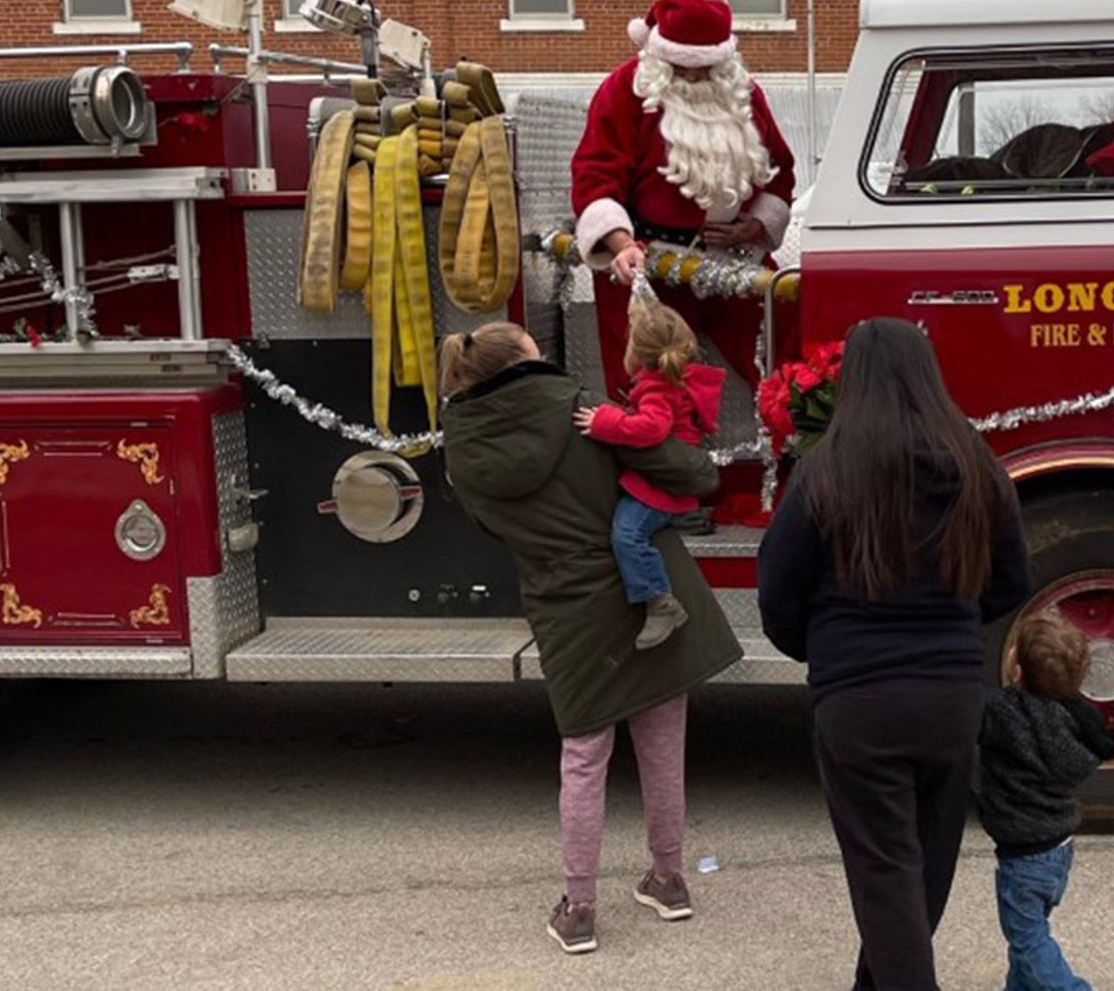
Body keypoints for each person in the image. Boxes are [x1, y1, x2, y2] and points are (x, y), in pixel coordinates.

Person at [439, 323, 743, 956]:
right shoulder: (583, 409)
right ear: (526, 361)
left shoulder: (462, 452)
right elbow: (692, 475)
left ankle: (578, 911)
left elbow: (491, 527)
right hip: (649, 598)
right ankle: (668, 880)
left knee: (582, 758)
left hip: (565, 605)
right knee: (663, 744)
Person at [758, 317, 1033, 991]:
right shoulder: (975, 464)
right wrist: (956, 626)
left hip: (856, 699)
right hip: (950, 696)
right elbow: (1012, 582)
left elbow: (777, 593)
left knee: (886, 874)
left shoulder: (824, 470)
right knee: (923, 871)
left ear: (851, 380)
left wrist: (822, 651)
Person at [571, 0, 798, 397]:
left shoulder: (743, 93)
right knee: (647, 386)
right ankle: (652, 457)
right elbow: (595, 174)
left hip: (734, 259)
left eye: (706, 68)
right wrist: (621, 245)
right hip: (651, 260)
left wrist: (755, 227)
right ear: (659, 58)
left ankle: (789, 453)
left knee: (787, 360)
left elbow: (780, 172)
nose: (693, 78)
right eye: (681, 68)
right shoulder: (625, 90)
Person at [977, 609, 1114, 991]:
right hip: (1057, 849)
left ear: (1018, 671)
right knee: (1030, 933)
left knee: (1027, 940)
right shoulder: (1076, 727)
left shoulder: (1006, 716)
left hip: (1023, 857)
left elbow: (976, 707)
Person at [574, 295, 725, 649]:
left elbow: (651, 430)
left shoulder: (657, 385)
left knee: (627, 535)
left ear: (639, 353)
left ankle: (660, 603)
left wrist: (604, 421)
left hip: (658, 487)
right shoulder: (675, 379)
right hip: (668, 480)